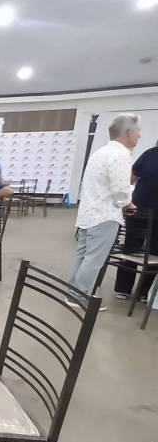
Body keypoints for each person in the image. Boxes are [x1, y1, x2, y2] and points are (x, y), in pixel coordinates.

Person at [69, 113, 140, 307]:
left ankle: (72, 294)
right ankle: (80, 297)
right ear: (128, 132)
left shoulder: (100, 153)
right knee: (94, 260)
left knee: (83, 256)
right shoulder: (121, 155)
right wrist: (128, 204)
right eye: (138, 131)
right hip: (104, 216)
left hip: (88, 213)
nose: (139, 135)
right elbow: (120, 190)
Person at [115, 141, 158, 301]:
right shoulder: (150, 153)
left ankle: (143, 292)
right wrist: (122, 198)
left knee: (155, 251)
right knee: (132, 246)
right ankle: (123, 288)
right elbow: (131, 176)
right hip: (138, 208)